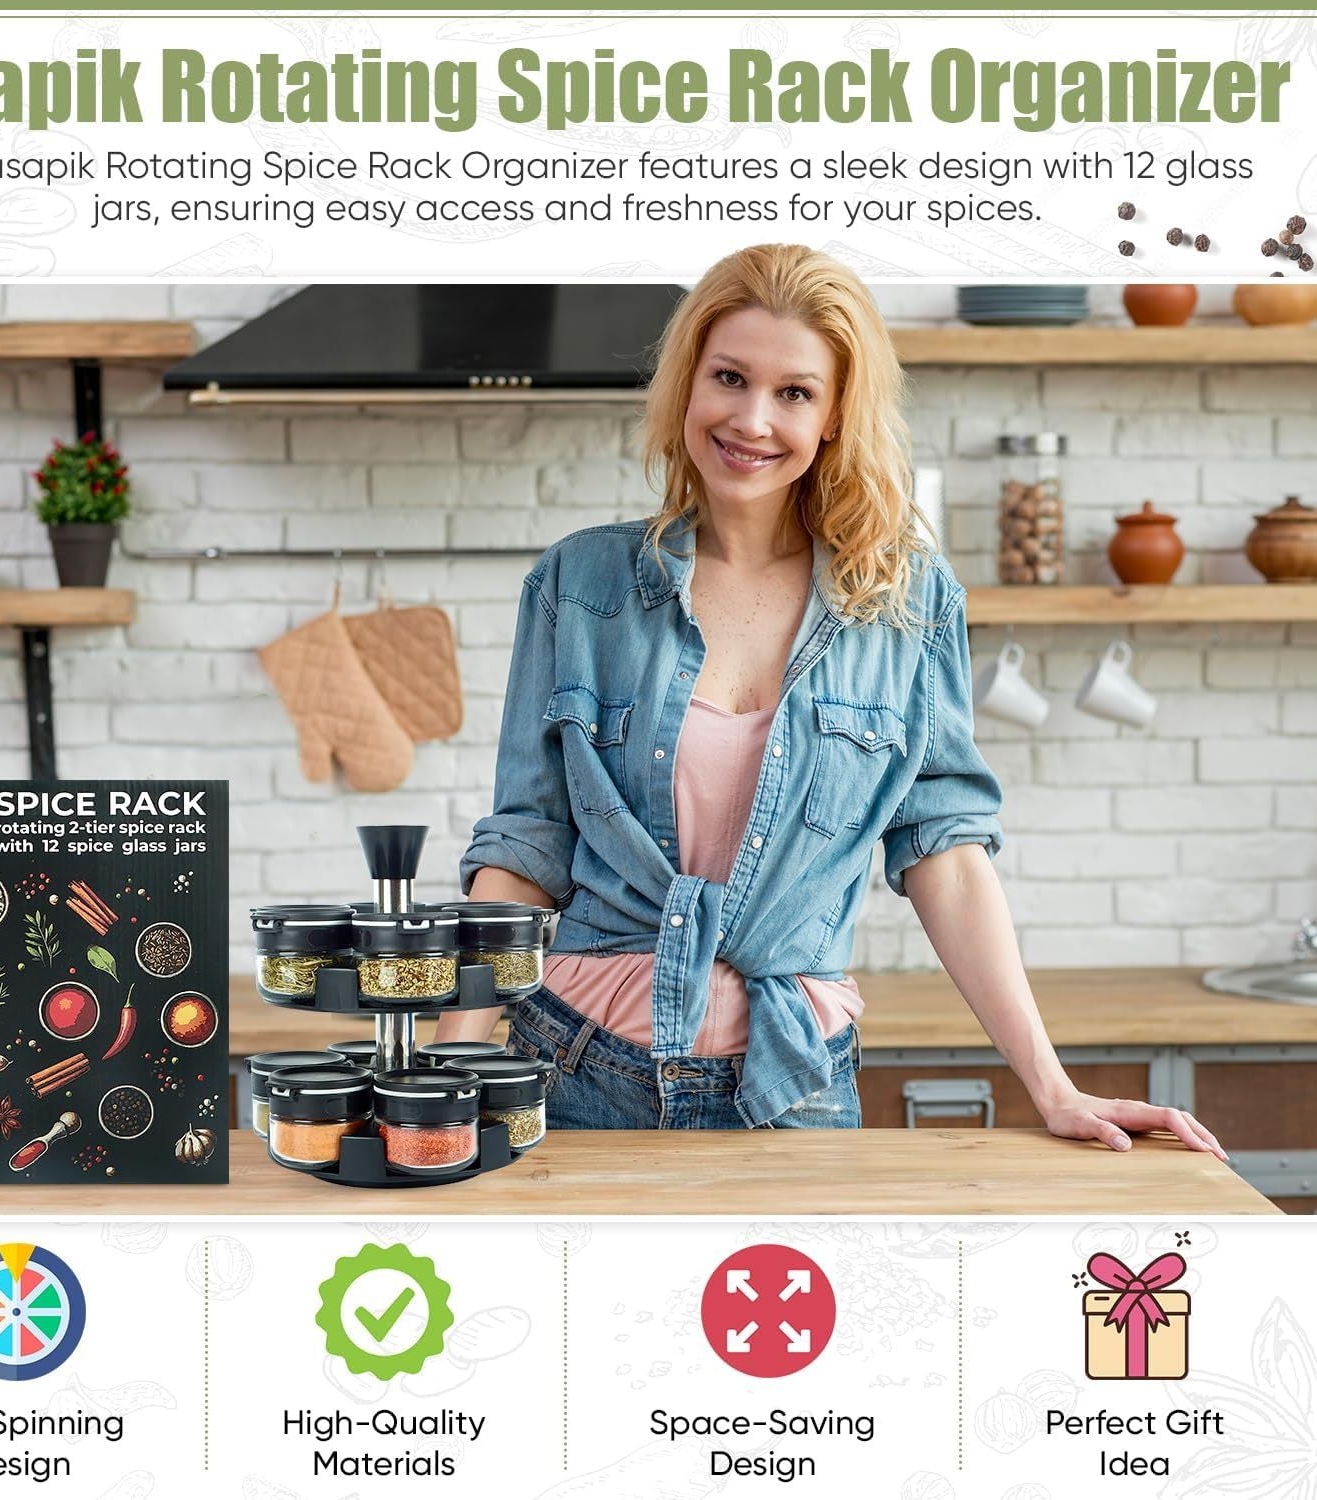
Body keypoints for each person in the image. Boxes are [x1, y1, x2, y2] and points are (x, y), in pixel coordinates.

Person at [441, 243, 1224, 1157]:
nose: (751, 419)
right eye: (729, 377)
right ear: (688, 382)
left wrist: (1052, 1088)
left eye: (794, 392)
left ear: (835, 415)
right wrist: (447, 1076)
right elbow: (525, 848)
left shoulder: (908, 602)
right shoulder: (581, 586)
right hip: (574, 1066)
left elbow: (946, 852)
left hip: (794, 1081)